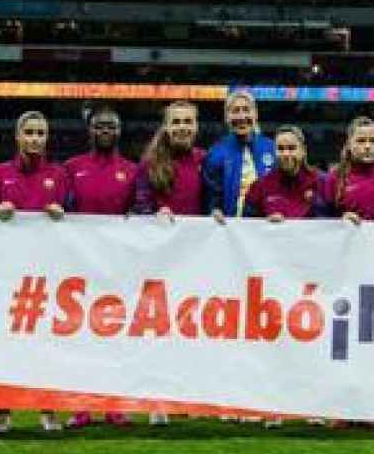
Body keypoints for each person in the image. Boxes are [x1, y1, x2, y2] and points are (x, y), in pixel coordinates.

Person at [0, 111, 71, 435]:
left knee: (46, 344)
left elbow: (77, 225)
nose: (35, 138)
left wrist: (64, 215)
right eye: (29, 132)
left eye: (40, 133)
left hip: (48, 274)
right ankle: (2, 410)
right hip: (6, 273)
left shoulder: (60, 176)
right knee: (6, 343)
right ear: (17, 137)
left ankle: (48, 410)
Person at [131, 101, 208, 424]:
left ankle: (189, 395)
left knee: (193, 330)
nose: (182, 128)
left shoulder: (206, 161)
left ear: (196, 125)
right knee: (159, 332)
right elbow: (138, 204)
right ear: (166, 126)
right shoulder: (150, 164)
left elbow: (213, 202)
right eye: (176, 122)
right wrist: (153, 213)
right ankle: (157, 401)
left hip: (198, 257)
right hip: (160, 261)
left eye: (188, 122)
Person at [63, 106, 138, 428]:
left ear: (119, 131)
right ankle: (81, 405)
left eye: (111, 125)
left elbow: (139, 214)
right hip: (80, 266)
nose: (105, 130)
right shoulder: (71, 168)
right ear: (89, 131)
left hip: (118, 266)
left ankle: (115, 404)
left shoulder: (133, 170)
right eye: (99, 126)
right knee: (81, 338)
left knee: (116, 337)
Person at [203, 89, 275, 220]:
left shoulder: (272, 148)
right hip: (229, 231)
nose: (242, 117)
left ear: (256, 114)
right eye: (235, 111)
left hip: (267, 230)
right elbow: (211, 197)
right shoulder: (216, 153)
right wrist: (214, 211)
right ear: (227, 117)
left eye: (246, 110)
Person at [245, 125, 327, 221]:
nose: (286, 154)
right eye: (280, 149)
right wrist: (265, 222)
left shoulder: (322, 182)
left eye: (292, 148)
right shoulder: (260, 186)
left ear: (303, 151)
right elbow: (247, 225)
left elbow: (335, 218)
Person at [324, 116, 374, 224]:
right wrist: (341, 220)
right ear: (349, 144)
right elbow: (322, 218)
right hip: (347, 240)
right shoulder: (334, 177)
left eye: (373, 141)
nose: (367, 146)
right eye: (361, 141)